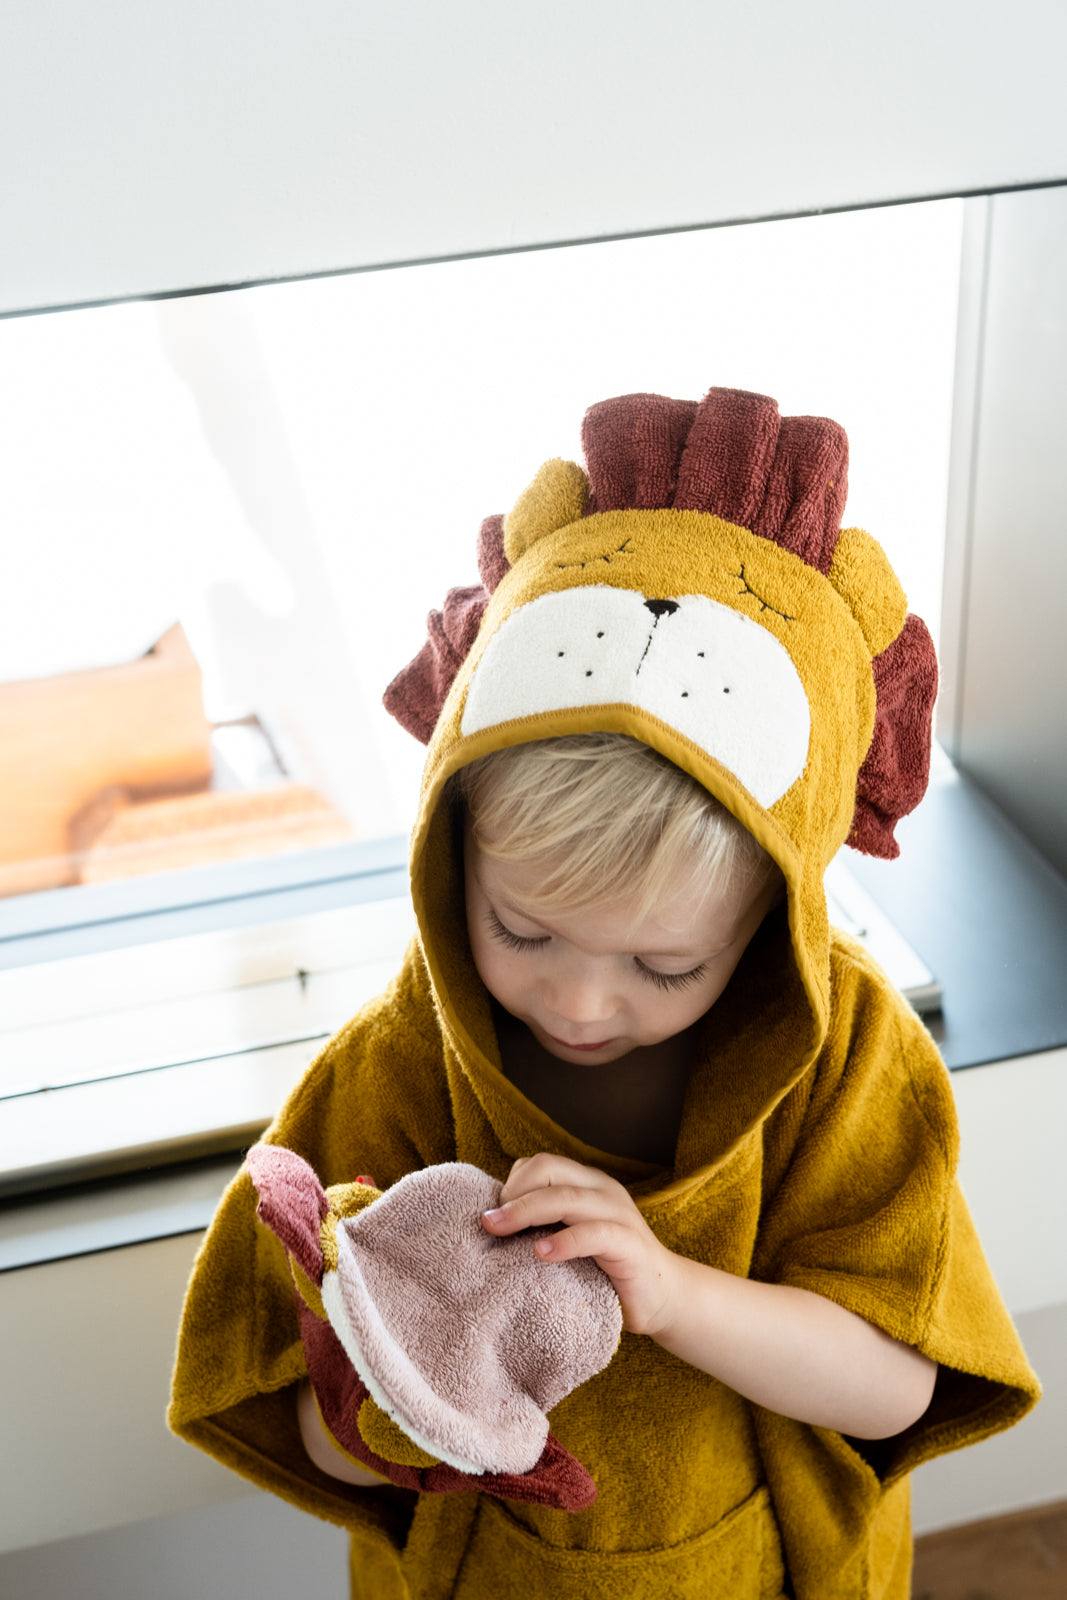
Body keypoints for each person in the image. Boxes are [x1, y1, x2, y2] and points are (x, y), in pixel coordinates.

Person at [168, 384, 1043, 1600]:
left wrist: (673, 1294)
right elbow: (315, 1439)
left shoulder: (843, 1060)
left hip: (764, 1564)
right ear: (452, 854)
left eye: (664, 967)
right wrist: (391, 1386)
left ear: (771, 916)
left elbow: (896, 1379)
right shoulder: (401, 1060)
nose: (578, 1004)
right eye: (519, 930)